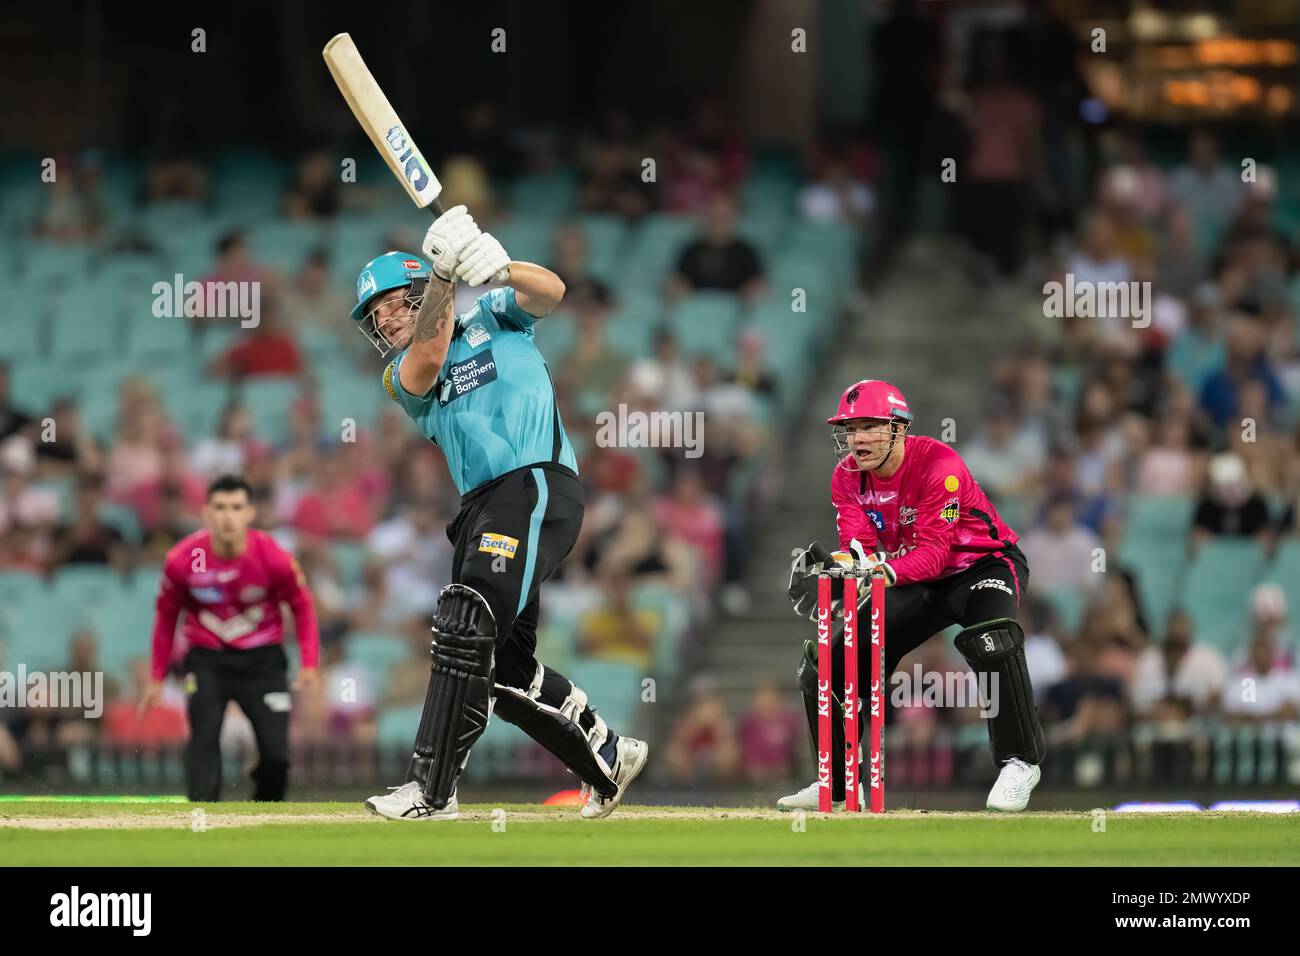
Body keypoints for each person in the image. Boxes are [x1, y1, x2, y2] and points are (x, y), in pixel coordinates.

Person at [350, 205, 647, 821]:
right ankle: (608, 755)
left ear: (413, 295)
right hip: (482, 507)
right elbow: (429, 359)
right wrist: (442, 276)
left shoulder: (492, 314)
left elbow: (553, 291)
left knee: (465, 615)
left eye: (390, 306)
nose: (385, 322)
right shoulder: (399, 376)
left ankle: (430, 790)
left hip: (534, 483)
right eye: (375, 318)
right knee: (504, 671)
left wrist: (498, 267)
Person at [781, 380, 1044, 812]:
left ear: (899, 429)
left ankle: (1020, 762)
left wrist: (878, 572)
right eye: (851, 428)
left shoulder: (942, 465)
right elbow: (859, 549)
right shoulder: (847, 476)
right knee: (838, 651)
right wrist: (837, 571)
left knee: (991, 639)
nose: (858, 439)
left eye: (870, 426)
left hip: (984, 564)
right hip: (910, 575)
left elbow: (938, 555)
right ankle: (840, 781)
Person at [141, 474, 322, 801]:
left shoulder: (272, 557)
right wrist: (157, 676)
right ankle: (202, 822)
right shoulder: (182, 560)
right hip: (207, 660)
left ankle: (264, 816)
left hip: (263, 663)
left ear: (250, 513)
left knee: (276, 757)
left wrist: (309, 664)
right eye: (220, 507)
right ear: (206, 513)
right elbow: (166, 617)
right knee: (204, 740)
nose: (228, 516)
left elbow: (302, 606)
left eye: (236, 507)